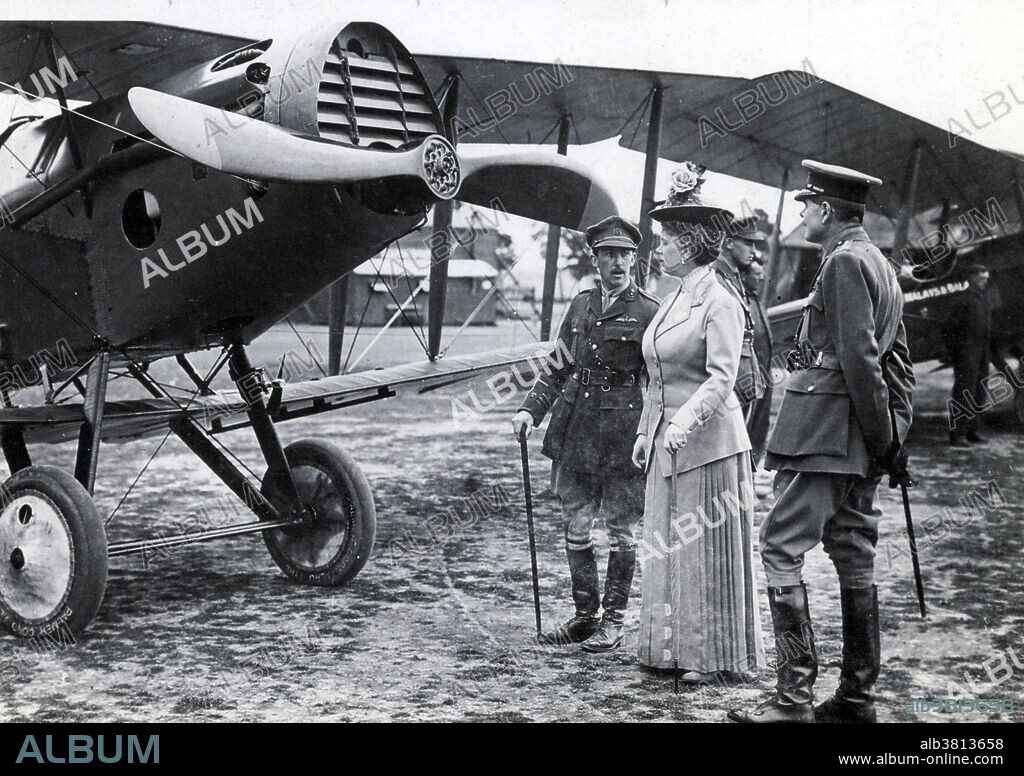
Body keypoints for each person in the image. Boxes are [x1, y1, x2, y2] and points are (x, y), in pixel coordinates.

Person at [729, 160, 915, 724]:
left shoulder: (842, 263)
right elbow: (897, 364)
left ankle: (792, 700)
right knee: (853, 552)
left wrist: (884, 442)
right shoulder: (879, 263)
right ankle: (856, 700)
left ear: (828, 211)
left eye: (808, 205)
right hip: (856, 438)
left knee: (780, 546)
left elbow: (861, 362)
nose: (802, 213)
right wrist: (891, 441)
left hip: (829, 434)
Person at [631, 161, 765, 683]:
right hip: (668, 443)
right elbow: (656, 375)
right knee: (670, 544)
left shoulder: (720, 300)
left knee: (703, 551)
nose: (658, 248)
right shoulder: (671, 300)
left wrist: (680, 428)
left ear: (687, 243)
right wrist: (647, 432)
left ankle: (710, 658)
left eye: (665, 240)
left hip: (710, 443)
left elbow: (722, 377)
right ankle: (672, 650)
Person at [512, 215, 660, 653]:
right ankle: (584, 616)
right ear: (595, 259)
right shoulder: (580, 306)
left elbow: (657, 382)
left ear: (634, 259)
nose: (617, 263)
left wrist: (651, 434)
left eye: (625, 254)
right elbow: (558, 367)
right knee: (575, 525)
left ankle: (613, 622)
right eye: (608, 254)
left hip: (623, 435)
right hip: (576, 431)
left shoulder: (650, 312)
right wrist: (528, 411)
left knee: (621, 530)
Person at [714, 216, 767, 413]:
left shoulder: (733, 277)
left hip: (741, 376)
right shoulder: (716, 279)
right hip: (727, 380)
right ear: (728, 243)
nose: (753, 250)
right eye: (747, 243)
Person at [943, 264, 991, 446]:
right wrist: (958, 352)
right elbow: (948, 329)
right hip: (966, 354)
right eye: (981, 279)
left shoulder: (982, 300)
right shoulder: (962, 300)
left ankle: (972, 431)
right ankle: (958, 435)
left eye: (986, 279)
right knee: (964, 393)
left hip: (981, 353)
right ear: (971, 278)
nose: (984, 282)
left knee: (979, 392)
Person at [743, 259, 775, 467]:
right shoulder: (743, 302)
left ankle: (752, 468)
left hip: (764, 376)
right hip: (749, 377)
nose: (761, 278)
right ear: (744, 277)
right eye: (756, 274)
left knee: (760, 425)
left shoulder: (756, 301)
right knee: (747, 424)